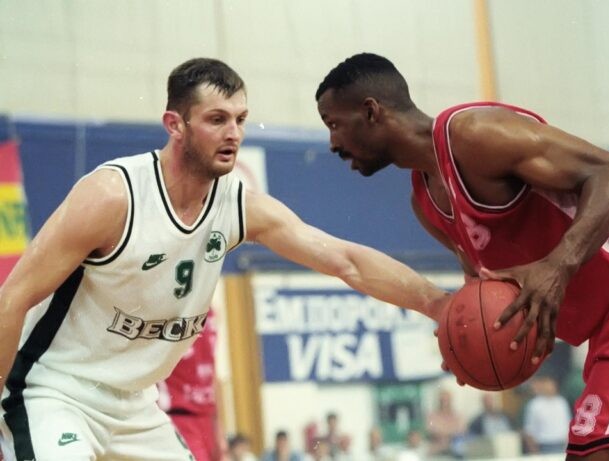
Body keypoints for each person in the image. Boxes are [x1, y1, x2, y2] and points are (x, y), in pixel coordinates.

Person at [0, 57, 450, 460]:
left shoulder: (238, 206)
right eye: (217, 119)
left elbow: (346, 261)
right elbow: (11, 299)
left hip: (135, 404)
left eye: (240, 119)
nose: (233, 132)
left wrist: (438, 304)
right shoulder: (112, 195)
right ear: (175, 125)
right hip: (53, 391)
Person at [315, 52, 609, 460]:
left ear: (371, 111)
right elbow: (488, 293)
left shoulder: (474, 134)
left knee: (596, 453)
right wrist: (465, 340)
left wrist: (557, 266)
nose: (333, 143)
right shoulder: (425, 204)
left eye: (334, 124)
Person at [158, 307, 225, 461]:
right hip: (178, 415)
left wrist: (219, 429)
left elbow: (213, 375)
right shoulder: (164, 310)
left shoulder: (211, 314)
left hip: (206, 418)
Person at [522, 375, 572, 454]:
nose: (549, 387)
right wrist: (535, 452)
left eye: (551, 384)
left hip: (563, 445)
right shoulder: (535, 405)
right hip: (543, 446)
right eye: (547, 384)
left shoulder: (562, 402)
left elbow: (568, 425)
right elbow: (529, 431)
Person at [425, 388, 466, 458]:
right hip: (436, 451)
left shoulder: (458, 416)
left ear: (451, 400)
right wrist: (450, 431)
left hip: (455, 450)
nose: (444, 402)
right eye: (442, 400)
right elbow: (431, 431)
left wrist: (443, 432)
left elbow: (461, 431)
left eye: (447, 400)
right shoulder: (432, 416)